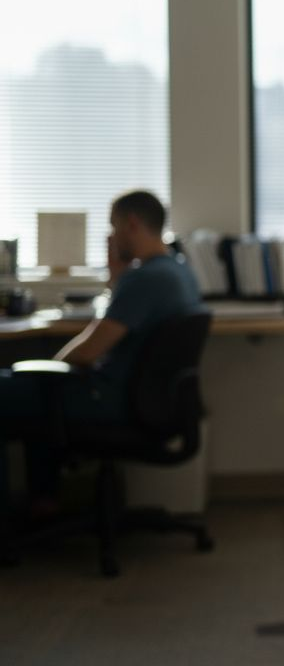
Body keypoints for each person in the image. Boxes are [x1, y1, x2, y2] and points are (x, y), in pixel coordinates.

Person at [0, 190, 202, 517]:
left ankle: (17, 517)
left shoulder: (145, 278)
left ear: (131, 224)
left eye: (113, 226)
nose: (111, 235)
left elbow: (86, 352)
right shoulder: (179, 271)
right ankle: (43, 503)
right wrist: (116, 277)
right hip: (143, 399)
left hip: (110, 399)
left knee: (28, 387)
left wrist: (51, 367)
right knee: (32, 390)